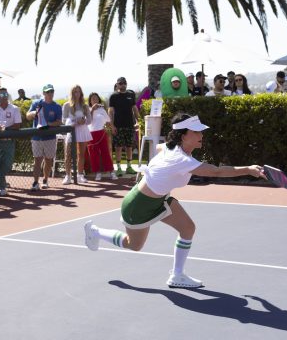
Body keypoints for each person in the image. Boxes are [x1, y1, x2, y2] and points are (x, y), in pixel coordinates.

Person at [84, 113, 266, 288]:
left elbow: (159, 147)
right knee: (133, 245)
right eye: (195, 132)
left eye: (200, 131)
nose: (200, 135)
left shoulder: (172, 147)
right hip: (138, 205)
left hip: (159, 199)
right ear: (182, 136)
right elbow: (217, 171)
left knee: (188, 228)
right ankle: (96, 232)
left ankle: (177, 275)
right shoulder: (181, 159)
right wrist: (248, 169)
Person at [26, 84, 63, 190]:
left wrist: (48, 124)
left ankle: (45, 180)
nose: (50, 94)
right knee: (37, 160)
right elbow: (27, 116)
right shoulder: (36, 103)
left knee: (48, 160)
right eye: (47, 92)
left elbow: (59, 121)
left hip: (50, 138)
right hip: (36, 138)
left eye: (51, 91)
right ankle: (35, 182)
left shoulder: (57, 106)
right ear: (43, 93)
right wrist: (33, 113)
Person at [0, 87, 22, 196]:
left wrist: (6, 129)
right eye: (1, 95)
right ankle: (2, 188)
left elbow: (17, 125)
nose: (4, 96)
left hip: (9, 141)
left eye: (5, 94)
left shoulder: (15, 109)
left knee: (7, 165)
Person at [109, 77, 140, 177]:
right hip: (118, 126)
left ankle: (129, 167)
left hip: (130, 125)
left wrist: (139, 121)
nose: (123, 85)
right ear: (117, 84)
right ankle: (118, 168)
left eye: (124, 83)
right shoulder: (113, 96)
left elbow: (134, 109)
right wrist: (112, 125)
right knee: (118, 147)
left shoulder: (131, 94)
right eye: (120, 83)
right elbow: (110, 111)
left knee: (129, 146)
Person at [62, 85, 92, 184]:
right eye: (75, 92)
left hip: (82, 131)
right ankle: (68, 176)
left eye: (78, 92)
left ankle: (80, 175)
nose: (77, 94)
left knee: (81, 154)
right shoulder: (66, 105)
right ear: (72, 93)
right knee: (68, 154)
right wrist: (74, 122)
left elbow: (89, 120)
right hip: (71, 131)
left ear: (81, 93)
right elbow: (63, 120)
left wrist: (84, 121)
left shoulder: (85, 106)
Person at [87, 92, 116, 181]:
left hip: (102, 133)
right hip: (91, 134)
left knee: (105, 152)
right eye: (92, 99)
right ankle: (97, 173)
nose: (94, 100)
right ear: (90, 101)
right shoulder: (88, 110)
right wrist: (92, 110)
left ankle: (111, 172)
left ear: (98, 100)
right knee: (93, 155)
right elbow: (88, 121)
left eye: (96, 98)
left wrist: (112, 128)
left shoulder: (102, 110)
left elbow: (108, 120)